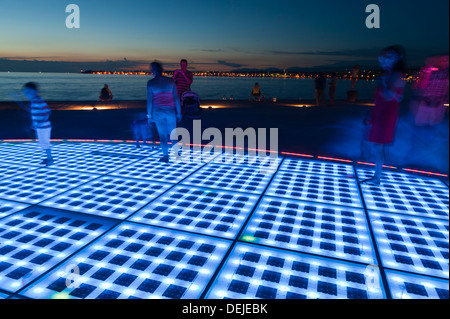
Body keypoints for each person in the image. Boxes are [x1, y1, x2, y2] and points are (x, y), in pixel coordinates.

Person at [361, 46, 407, 185]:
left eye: (389, 56)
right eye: (384, 56)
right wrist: (371, 114)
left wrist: (381, 83)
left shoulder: (398, 75)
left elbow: (389, 96)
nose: (384, 59)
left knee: (379, 146)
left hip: (387, 115)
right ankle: (377, 175)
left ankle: (377, 177)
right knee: (376, 145)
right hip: (379, 113)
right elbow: (379, 99)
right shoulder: (389, 74)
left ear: (397, 58)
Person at [148, 61, 182, 163]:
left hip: (157, 112)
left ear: (153, 71)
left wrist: (149, 116)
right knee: (173, 134)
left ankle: (166, 156)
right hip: (170, 111)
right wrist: (179, 112)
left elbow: (150, 101)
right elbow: (176, 98)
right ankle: (176, 155)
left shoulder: (150, 83)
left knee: (162, 135)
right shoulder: (171, 81)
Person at [21, 82, 54, 166]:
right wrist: (34, 123)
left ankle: (50, 160)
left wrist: (41, 121)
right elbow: (36, 113)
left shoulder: (38, 100)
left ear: (35, 92)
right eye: (25, 92)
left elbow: (48, 111)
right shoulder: (34, 101)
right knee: (43, 143)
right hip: (40, 127)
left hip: (44, 126)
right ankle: (48, 158)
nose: (26, 94)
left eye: (28, 92)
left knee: (45, 143)